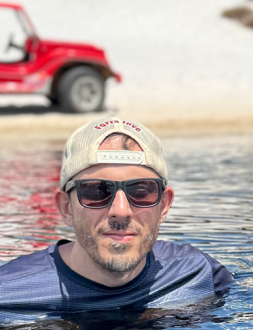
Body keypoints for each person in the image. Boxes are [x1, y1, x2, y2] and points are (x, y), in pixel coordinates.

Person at [0, 117, 232, 316]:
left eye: (141, 191)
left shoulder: (199, 274)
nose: (120, 211)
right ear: (66, 207)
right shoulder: (8, 294)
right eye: (96, 191)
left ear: (164, 206)